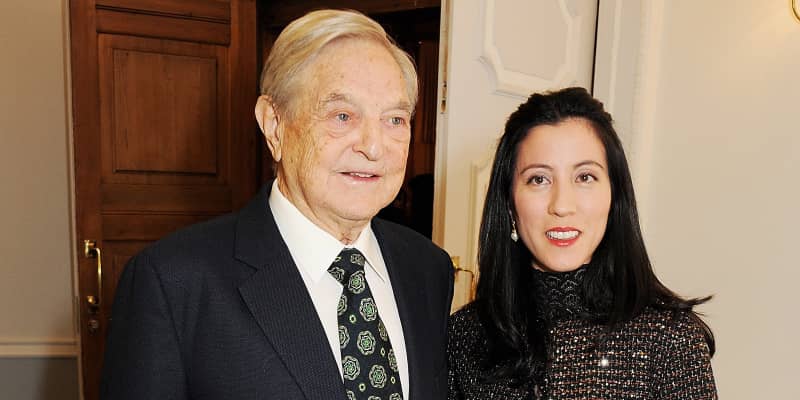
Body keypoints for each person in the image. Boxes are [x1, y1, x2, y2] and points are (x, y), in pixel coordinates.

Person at [100, 9, 454, 400]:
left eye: (395, 120)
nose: (373, 147)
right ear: (274, 124)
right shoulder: (173, 283)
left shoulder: (427, 269)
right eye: (342, 116)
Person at [447, 87, 716, 399]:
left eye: (585, 177)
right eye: (539, 179)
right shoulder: (466, 335)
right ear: (509, 203)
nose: (562, 205)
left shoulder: (671, 337)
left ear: (614, 195)